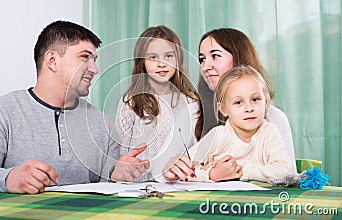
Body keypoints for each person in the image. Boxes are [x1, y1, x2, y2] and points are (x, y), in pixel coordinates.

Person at [0, 20, 149, 196]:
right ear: (52, 60)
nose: (95, 69)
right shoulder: (0, 112)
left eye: (94, 60)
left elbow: (107, 183)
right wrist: (7, 179)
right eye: (84, 57)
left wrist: (118, 174)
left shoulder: (100, 122)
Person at [164, 65, 295, 183]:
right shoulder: (218, 135)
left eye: (255, 99)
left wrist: (240, 169)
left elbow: (286, 171)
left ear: (266, 102)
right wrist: (212, 174)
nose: (249, 108)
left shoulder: (269, 132)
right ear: (223, 109)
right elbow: (186, 170)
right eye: (238, 102)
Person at [196, 28, 296, 168]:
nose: (205, 66)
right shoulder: (193, 113)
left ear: (238, 57)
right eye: (202, 59)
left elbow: (287, 175)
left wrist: (240, 170)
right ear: (222, 109)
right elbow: (181, 172)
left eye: (215, 56)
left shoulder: (274, 119)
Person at [115, 26, 200, 182]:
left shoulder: (191, 102)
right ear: (142, 62)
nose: (162, 63)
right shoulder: (130, 101)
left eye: (168, 56)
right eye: (153, 57)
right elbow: (121, 151)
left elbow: (194, 148)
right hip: (137, 185)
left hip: (178, 184)